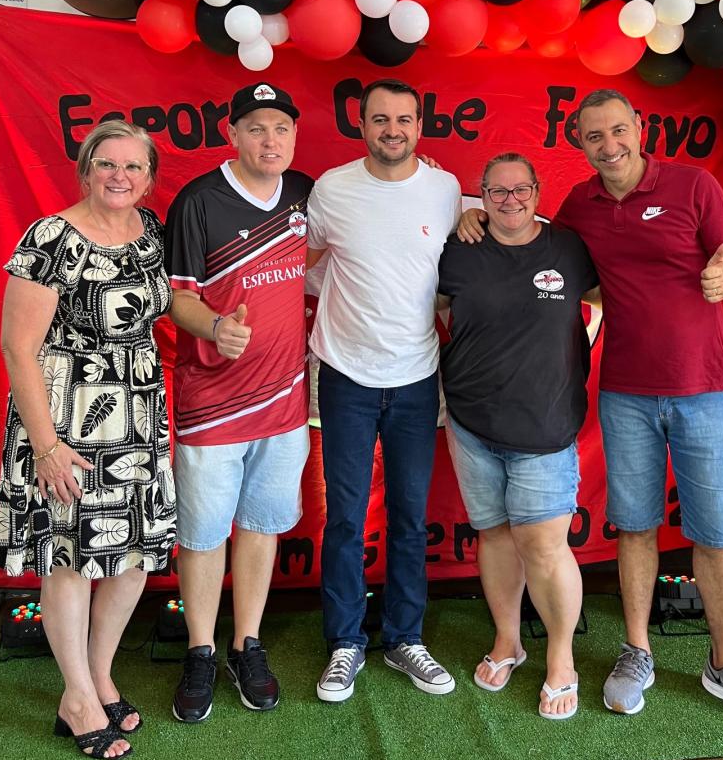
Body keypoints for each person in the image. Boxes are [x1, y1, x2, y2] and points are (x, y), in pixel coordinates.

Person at [458, 89, 723, 730]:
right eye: (593, 136)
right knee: (636, 527)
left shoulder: (695, 186)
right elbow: (531, 246)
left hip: (701, 391)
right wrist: (470, 219)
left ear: (639, 129)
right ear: (578, 144)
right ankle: (636, 651)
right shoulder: (578, 206)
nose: (609, 145)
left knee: (717, 534)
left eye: (618, 130)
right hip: (624, 394)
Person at [0, 120, 176, 759]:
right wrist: (45, 446)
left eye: (133, 166)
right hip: (66, 425)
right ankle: (74, 697)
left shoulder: (150, 233)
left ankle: (98, 677)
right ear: (87, 169)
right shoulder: (51, 238)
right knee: (68, 560)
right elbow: (18, 346)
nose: (120, 176)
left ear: (148, 177)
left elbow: (166, 306)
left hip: (139, 421)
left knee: (129, 560)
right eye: (107, 164)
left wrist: (217, 327)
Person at [306, 79, 461, 702]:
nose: (391, 129)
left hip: (418, 378)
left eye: (402, 119)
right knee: (343, 517)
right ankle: (345, 643)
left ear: (419, 125)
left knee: (408, 517)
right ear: (361, 124)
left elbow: (460, 255)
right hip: (345, 375)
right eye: (379, 119)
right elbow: (309, 261)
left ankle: (404, 638)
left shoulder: (446, 189)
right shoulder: (332, 188)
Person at [164, 82, 312, 723]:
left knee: (260, 526)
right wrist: (214, 328)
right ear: (233, 134)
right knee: (202, 534)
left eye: (280, 128)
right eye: (256, 128)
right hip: (212, 405)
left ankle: (245, 643)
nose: (269, 140)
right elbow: (178, 296)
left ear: (293, 137)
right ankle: (199, 649)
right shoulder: (199, 200)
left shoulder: (308, 194)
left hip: (285, 400)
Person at [437, 153, 598, 720]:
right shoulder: (461, 248)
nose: (509, 200)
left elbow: (610, 297)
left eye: (519, 189)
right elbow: (435, 307)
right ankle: (508, 640)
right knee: (496, 536)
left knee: (546, 547)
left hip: (546, 426)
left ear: (537, 191)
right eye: (496, 192)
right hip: (472, 421)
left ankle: (561, 659)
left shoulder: (569, 249)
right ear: (480, 197)